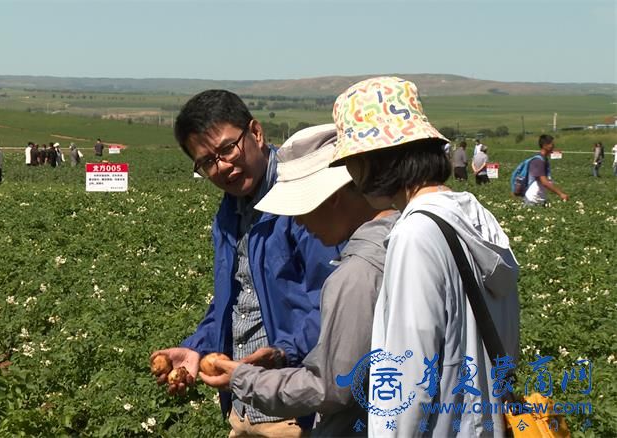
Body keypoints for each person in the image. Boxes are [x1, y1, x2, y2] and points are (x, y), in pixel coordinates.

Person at [330, 76, 519, 436]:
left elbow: (407, 376)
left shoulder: (415, 234)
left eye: (352, 160)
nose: (351, 175)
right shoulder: (474, 216)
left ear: (377, 159)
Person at [152, 90, 341, 437]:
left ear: (256, 133)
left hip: (295, 410)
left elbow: (336, 303)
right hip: (243, 409)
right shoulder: (229, 211)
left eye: (227, 149)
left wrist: (284, 352)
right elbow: (234, 301)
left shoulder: (303, 201)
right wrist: (196, 348)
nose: (221, 166)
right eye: (207, 162)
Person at [201, 124, 399, 437]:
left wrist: (244, 379)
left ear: (331, 198)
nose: (299, 221)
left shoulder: (356, 274)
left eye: (300, 209)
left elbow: (330, 388)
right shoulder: (406, 240)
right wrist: (283, 354)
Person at [524, 134, 569, 205]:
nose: (553, 147)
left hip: (539, 198)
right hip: (533, 199)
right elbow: (544, 182)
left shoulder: (544, 159)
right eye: (552, 144)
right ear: (545, 145)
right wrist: (560, 193)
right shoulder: (538, 161)